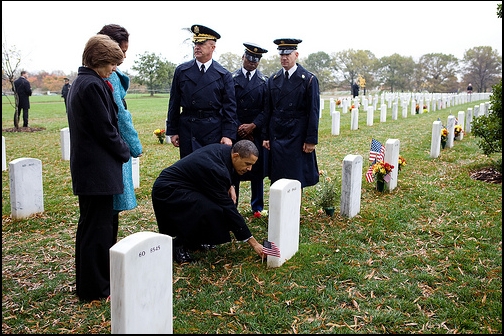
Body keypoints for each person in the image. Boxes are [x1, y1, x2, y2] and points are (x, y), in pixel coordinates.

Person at [67, 34, 130, 302]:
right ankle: (96, 288)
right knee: (98, 230)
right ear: (98, 60)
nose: (113, 69)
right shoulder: (92, 85)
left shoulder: (82, 82)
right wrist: (124, 151)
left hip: (91, 169)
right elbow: (106, 129)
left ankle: (89, 284)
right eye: (111, 64)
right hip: (97, 170)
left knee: (90, 227)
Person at [152, 140, 266, 264]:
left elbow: (226, 171)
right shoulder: (215, 169)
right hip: (168, 191)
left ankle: (195, 241)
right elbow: (228, 208)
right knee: (206, 208)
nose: (249, 168)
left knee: (213, 208)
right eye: (247, 164)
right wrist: (254, 243)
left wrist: (230, 185)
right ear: (236, 156)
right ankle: (178, 245)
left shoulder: (226, 151)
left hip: (188, 186)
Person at [97, 24, 143, 240]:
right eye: (121, 51)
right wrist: (134, 146)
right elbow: (121, 115)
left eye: (126, 51)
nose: (124, 57)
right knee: (108, 212)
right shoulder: (110, 75)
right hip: (113, 147)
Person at [166, 24, 238, 159]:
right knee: (189, 169)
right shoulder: (182, 71)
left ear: (213, 47)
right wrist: (173, 130)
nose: (197, 47)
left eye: (202, 44)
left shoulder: (224, 75)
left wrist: (228, 134)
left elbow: (230, 108)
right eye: (195, 43)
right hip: (188, 128)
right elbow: (174, 103)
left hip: (212, 129)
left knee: (209, 168)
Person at [262, 38, 320, 190]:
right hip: (277, 133)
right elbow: (268, 110)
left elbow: (313, 111)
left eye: (287, 54)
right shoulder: (273, 80)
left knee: (296, 174)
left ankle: (293, 210)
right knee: (278, 173)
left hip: (297, 134)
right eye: (281, 55)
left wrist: (311, 139)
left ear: (296, 54)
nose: (284, 58)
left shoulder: (308, 79)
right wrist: (266, 136)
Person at [231, 42, 269, 216]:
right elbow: (229, 106)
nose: (252, 62)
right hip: (236, 130)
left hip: (256, 132)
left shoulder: (264, 82)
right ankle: (233, 205)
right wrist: (240, 127)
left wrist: (253, 126)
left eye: (256, 59)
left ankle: (257, 207)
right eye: (250, 58)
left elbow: (266, 109)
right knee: (235, 168)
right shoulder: (231, 79)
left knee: (256, 170)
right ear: (243, 57)